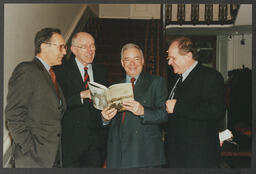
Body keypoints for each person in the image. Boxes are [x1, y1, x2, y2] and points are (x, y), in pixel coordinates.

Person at [5, 28, 67, 168]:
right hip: (33, 159)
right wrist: (29, 148)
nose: (64, 52)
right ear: (44, 47)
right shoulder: (27, 70)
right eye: (61, 47)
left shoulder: (52, 76)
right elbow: (13, 115)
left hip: (53, 158)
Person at [101, 43, 168, 168]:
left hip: (144, 154)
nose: (132, 64)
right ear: (122, 63)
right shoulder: (114, 86)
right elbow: (110, 122)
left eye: (136, 59)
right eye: (127, 60)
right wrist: (105, 119)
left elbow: (164, 115)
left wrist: (143, 111)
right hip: (117, 154)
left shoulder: (156, 82)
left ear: (142, 61)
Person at [165, 36, 225, 168]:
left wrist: (178, 107)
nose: (169, 62)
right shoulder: (176, 79)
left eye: (173, 58)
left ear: (188, 56)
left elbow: (216, 111)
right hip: (177, 155)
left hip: (199, 157)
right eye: (168, 58)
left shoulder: (210, 76)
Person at [54, 32, 108, 167]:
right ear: (73, 50)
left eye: (92, 46)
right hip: (71, 145)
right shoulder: (60, 71)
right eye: (85, 47)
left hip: (96, 146)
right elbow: (57, 103)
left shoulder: (101, 71)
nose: (90, 50)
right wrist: (80, 96)